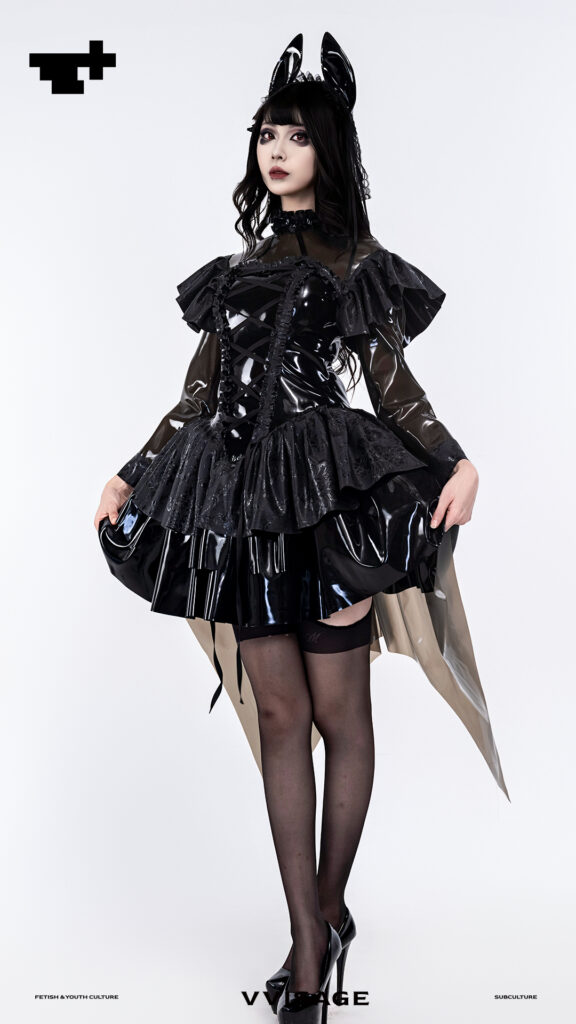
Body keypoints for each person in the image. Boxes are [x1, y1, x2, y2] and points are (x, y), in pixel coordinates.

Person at [94, 32, 509, 1023]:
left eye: (297, 136)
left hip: (326, 501)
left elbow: (396, 392)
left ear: (330, 150)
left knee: (339, 714)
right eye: (267, 135)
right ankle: (313, 942)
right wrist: (131, 469)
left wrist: (459, 460)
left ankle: (318, 923)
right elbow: (197, 398)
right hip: (246, 507)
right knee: (280, 718)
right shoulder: (234, 272)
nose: (277, 150)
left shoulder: (356, 262)